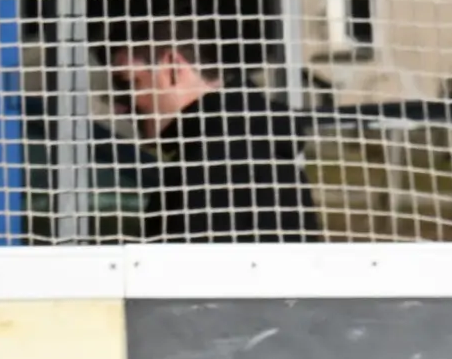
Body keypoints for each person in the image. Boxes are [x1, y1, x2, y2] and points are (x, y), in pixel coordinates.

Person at [106, 18, 317, 241]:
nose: (120, 106)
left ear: (173, 68)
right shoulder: (257, 142)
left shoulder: (212, 165)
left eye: (129, 83)